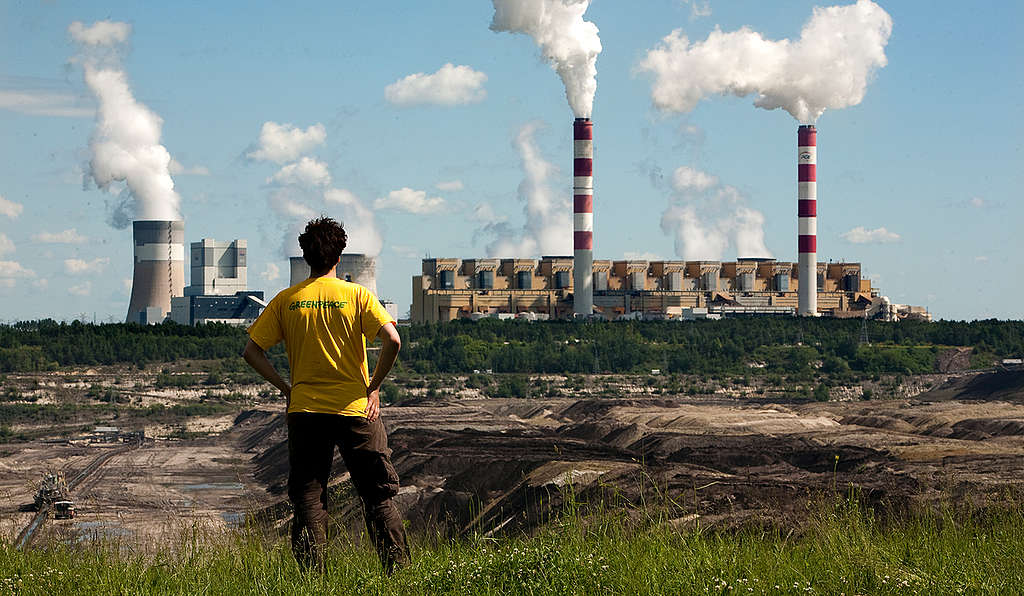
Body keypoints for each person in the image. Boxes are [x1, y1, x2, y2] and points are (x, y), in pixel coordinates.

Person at [242, 216, 410, 574]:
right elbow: (393, 340)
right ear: (339, 256)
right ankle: (399, 574)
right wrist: (374, 387)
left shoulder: (287, 300)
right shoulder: (358, 295)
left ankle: (313, 580)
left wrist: (286, 388)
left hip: (305, 412)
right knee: (377, 496)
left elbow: (251, 351)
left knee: (309, 498)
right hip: (356, 410)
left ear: (305, 257)